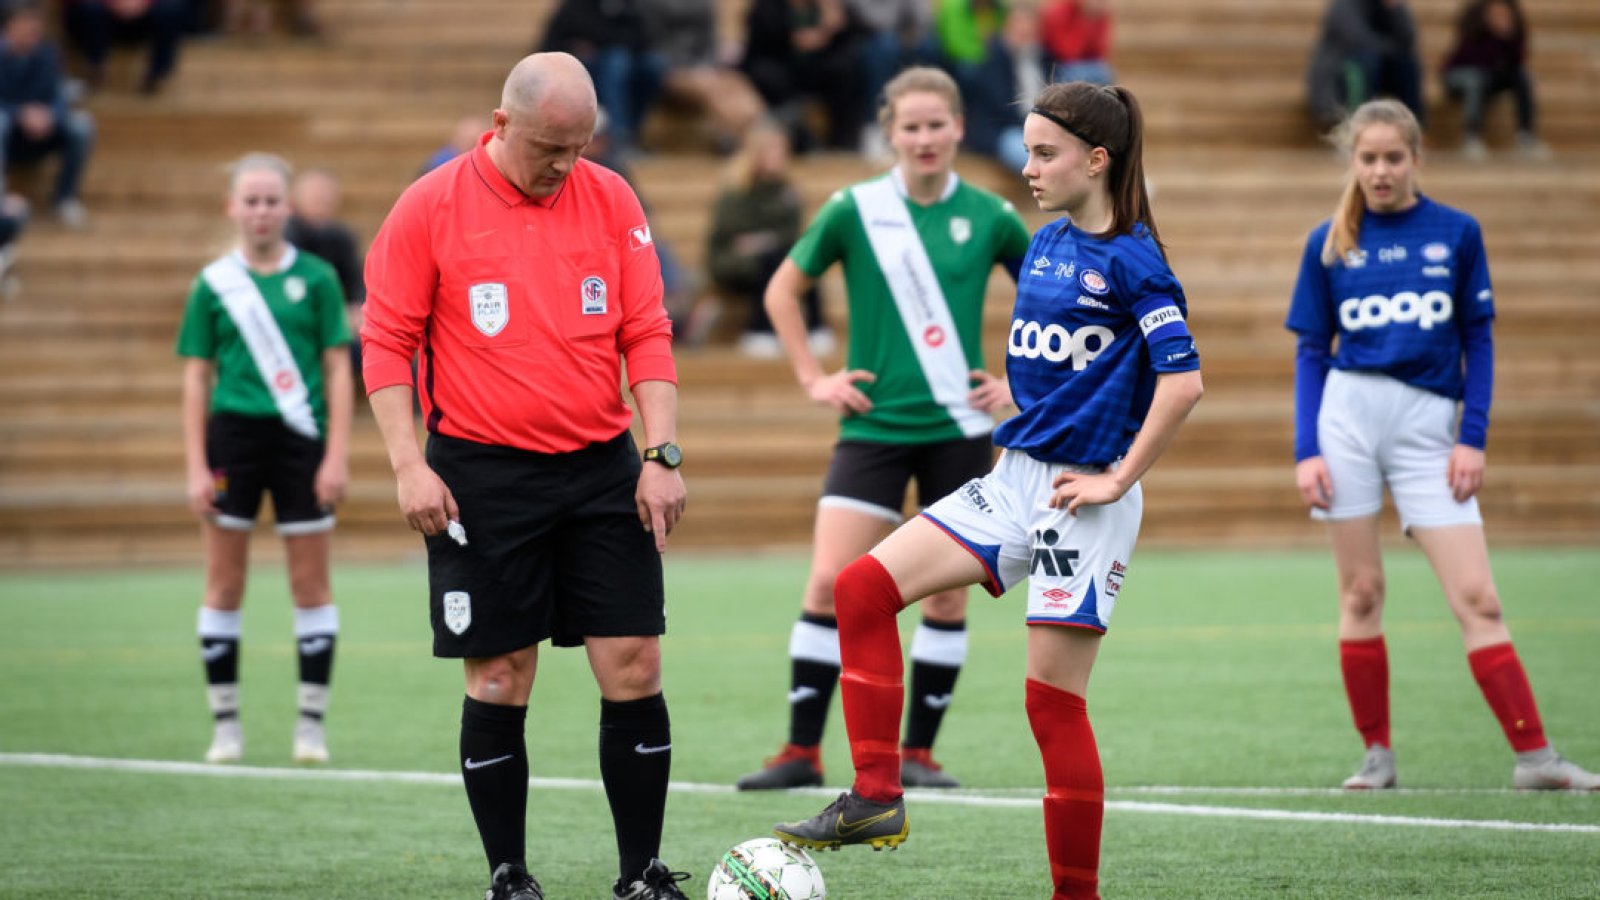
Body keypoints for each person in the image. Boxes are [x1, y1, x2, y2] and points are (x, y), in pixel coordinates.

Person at [772, 81, 1204, 900]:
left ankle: (1076, 894)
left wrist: (1118, 477)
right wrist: (1019, 392)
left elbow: (1182, 384)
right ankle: (876, 795)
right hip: (1013, 477)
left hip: (1084, 498)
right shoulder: (1044, 243)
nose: (1030, 168)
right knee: (861, 588)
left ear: (1097, 160)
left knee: (1051, 706)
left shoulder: (1137, 260)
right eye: (1029, 150)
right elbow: (1066, 357)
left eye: (1045, 153)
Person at [359, 52, 692, 900]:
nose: (564, 166)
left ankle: (639, 875)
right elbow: (387, 344)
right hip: (481, 477)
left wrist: (660, 454)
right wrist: (408, 465)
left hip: (600, 471)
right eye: (549, 147)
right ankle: (508, 875)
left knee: (635, 665)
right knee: (500, 674)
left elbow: (647, 329)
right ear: (500, 125)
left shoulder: (612, 197)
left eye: (579, 147)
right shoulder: (429, 206)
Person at [1285, 98, 1599, 794]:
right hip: (1347, 421)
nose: (1381, 170)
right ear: (1354, 162)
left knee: (1479, 597)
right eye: (1368, 158)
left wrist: (1472, 437)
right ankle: (1377, 757)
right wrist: (1308, 449)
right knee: (1362, 591)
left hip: (1431, 429)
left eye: (1394, 157)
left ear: (1417, 158)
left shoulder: (1456, 233)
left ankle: (1536, 758)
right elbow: (1312, 351)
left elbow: (1478, 340)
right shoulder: (1328, 242)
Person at [736, 67, 1031, 792]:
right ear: (889, 132)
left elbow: (1048, 306)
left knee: (947, 596)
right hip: (871, 428)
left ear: (960, 127)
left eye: (937, 124)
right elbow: (783, 289)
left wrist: (1018, 386)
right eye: (911, 126)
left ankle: (917, 755)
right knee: (830, 582)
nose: (925, 138)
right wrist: (814, 376)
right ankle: (802, 751)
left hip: (961, 429)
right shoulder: (854, 209)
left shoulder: (993, 215)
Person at [174, 152, 353, 768]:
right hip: (233, 440)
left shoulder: (320, 279)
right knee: (225, 583)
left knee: (311, 584)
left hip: (302, 440)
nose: (261, 211)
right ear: (232, 207)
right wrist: (197, 464)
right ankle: (226, 728)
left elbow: (336, 365)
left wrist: (335, 455)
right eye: (250, 200)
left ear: (288, 207)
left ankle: (310, 728)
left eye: (271, 200)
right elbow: (197, 377)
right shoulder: (213, 284)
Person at [704, 119, 826, 357]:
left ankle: (815, 327)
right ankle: (761, 329)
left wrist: (762, 240)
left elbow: (791, 234)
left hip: (773, 254)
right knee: (773, 258)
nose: (779, 156)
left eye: (782, 150)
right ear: (756, 154)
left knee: (803, 255)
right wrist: (764, 241)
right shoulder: (735, 191)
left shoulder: (788, 192)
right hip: (731, 260)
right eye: (772, 149)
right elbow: (732, 236)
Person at [1, 2, 95, 227]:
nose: (32, 30)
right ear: (8, 27)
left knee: (82, 125)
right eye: (25, 24)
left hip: (43, 126)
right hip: (9, 125)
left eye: (35, 25)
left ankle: (65, 198)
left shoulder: (48, 53)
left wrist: (50, 113)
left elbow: (59, 94)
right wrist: (20, 113)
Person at [539, 0, 663, 157]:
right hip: (582, 68)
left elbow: (643, 38)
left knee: (652, 64)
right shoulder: (576, 6)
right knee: (616, 61)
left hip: (624, 65)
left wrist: (606, 42)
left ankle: (631, 133)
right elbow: (553, 43)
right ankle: (618, 137)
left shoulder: (630, 7)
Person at [740, 0, 865, 153]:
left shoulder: (830, 6)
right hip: (780, 67)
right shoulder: (767, 6)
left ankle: (845, 141)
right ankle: (795, 136)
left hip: (819, 67)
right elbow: (756, 46)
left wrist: (833, 24)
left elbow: (859, 35)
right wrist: (791, 38)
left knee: (845, 70)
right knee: (767, 75)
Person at [285, 168, 364, 381]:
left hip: (338, 323)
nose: (323, 202)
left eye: (327, 197)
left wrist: (357, 308)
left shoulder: (342, 237)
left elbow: (356, 280)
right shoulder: (286, 238)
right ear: (295, 201)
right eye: (316, 197)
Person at [1441, 0, 1546, 160]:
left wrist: (1506, 38)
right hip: (1460, 76)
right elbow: (1477, 60)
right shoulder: (1474, 26)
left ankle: (1526, 136)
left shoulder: (1513, 31)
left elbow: (1516, 62)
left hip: (1489, 78)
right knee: (1475, 80)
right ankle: (1472, 136)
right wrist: (1495, 37)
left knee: (1522, 77)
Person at [1305, 0, 1422, 132]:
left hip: (1379, 68)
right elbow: (1358, 41)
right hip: (1339, 76)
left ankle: (1414, 129)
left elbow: (1408, 40)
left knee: (1406, 64)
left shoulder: (1391, 5)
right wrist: (1393, 50)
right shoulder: (1343, 5)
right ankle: (1359, 124)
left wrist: (1395, 9)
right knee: (1369, 61)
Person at [62, 0, 186, 94]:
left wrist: (143, 3)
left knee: (171, 9)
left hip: (143, 17)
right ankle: (93, 68)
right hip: (102, 16)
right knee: (89, 9)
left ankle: (158, 74)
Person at [1040, 0, 1114, 85]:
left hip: (1085, 63)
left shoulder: (1100, 15)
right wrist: (1086, 22)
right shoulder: (1061, 12)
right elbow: (1067, 52)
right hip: (1057, 64)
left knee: (1105, 74)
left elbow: (1100, 52)